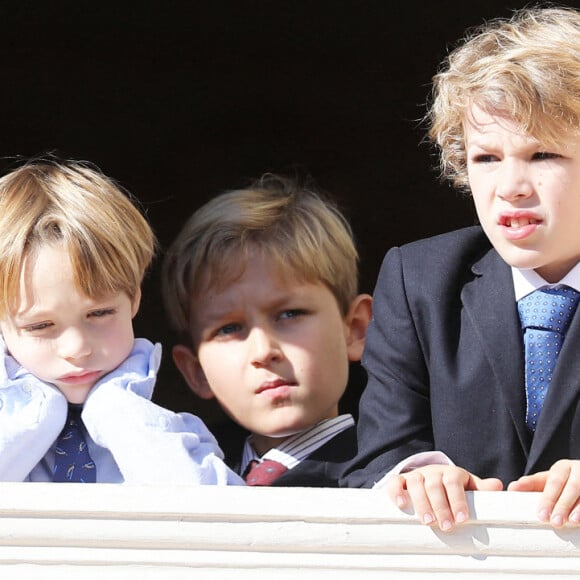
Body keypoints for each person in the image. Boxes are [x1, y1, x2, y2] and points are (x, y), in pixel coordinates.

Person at [341, 5, 580, 530]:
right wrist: (415, 474)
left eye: (543, 154)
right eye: (486, 158)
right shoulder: (418, 280)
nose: (511, 186)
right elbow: (378, 456)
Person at [0, 157, 243, 485]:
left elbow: (213, 520)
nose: (78, 348)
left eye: (98, 313)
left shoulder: (172, 434)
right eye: (40, 326)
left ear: (134, 299)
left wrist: (117, 411)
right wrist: (34, 418)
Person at [162, 174, 372, 486]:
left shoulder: (394, 476)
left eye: (289, 314)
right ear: (196, 372)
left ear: (354, 329)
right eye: (229, 328)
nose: (263, 351)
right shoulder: (182, 478)